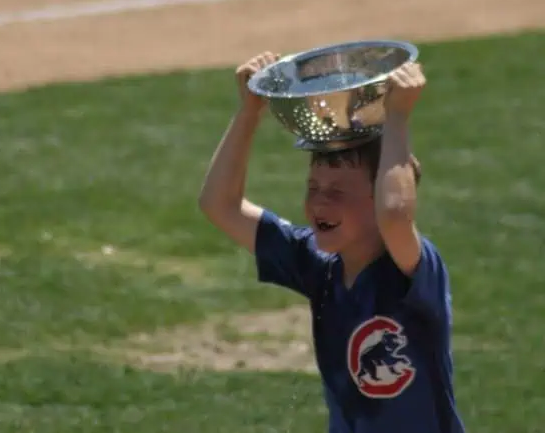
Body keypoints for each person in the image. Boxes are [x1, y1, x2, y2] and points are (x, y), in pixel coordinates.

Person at [198, 51, 465, 433]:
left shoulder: (412, 273)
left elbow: (393, 213)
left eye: (338, 191)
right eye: (313, 187)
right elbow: (219, 205)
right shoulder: (317, 264)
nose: (319, 201)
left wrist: (397, 118)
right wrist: (248, 113)